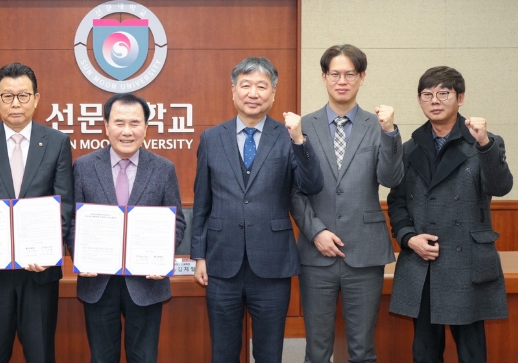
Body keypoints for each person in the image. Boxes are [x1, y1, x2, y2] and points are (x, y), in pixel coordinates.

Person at [191, 56, 324, 363]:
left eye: (262, 86)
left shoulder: (288, 136)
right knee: (223, 351)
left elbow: (311, 184)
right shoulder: (211, 138)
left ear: (273, 93)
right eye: (246, 85)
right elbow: (202, 202)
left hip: (272, 262)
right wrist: (198, 255)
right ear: (233, 90)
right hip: (221, 262)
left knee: (269, 352)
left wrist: (299, 140)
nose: (253, 93)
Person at [387, 66, 513, 363]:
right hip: (423, 261)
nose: (435, 100)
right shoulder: (409, 148)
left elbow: (501, 186)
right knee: (425, 352)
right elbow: (397, 202)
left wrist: (484, 144)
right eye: (427, 94)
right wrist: (409, 238)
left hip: (466, 261)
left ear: (460, 98)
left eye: (444, 93)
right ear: (419, 100)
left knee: (472, 352)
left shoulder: (484, 142)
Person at [291, 45, 403, 362]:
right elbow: (294, 191)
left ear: (362, 77)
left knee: (363, 349)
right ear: (324, 77)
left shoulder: (378, 126)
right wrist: (316, 232)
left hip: (365, 252)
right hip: (316, 254)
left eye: (350, 74)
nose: (342, 81)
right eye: (335, 74)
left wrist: (390, 133)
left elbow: (391, 179)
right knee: (317, 350)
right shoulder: (303, 126)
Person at [0, 62, 74, 363]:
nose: (16, 103)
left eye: (23, 95)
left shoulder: (57, 142)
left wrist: (49, 251)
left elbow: (64, 205)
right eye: (7, 96)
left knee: (41, 354)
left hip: (39, 272)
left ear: (36, 99)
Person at [68, 93, 186, 363]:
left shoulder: (163, 168)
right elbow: (74, 220)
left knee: (144, 357)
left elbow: (177, 221)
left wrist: (162, 258)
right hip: (98, 280)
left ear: (146, 127)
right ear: (106, 126)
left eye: (135, 123)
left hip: (146, 282)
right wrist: (80, 256)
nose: (127, 131)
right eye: (119, 123)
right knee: (102, 357)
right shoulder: (84, 166)